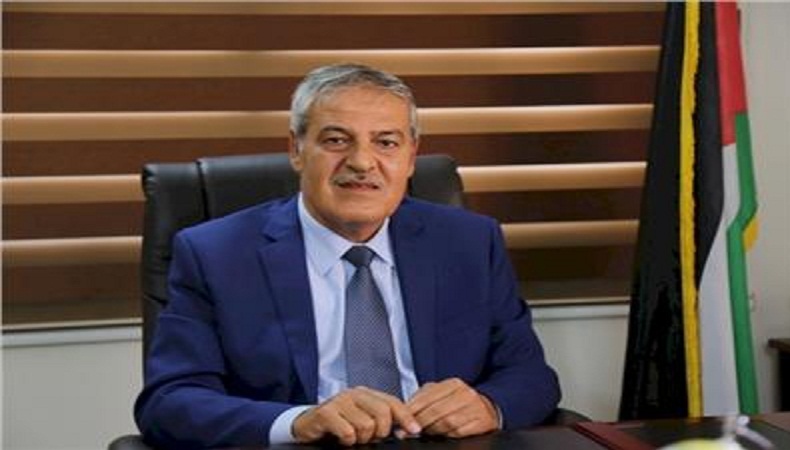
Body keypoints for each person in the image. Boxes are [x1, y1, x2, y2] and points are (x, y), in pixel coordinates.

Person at [135, 64, 560, 449]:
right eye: (337, 140)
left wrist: (488, 405)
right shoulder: (216, 254)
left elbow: (531, 376)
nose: (361, 162)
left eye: (386, 142)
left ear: (411, 157)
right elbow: (170, 402)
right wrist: (299, 422)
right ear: (297, 150)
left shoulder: (468, 242)